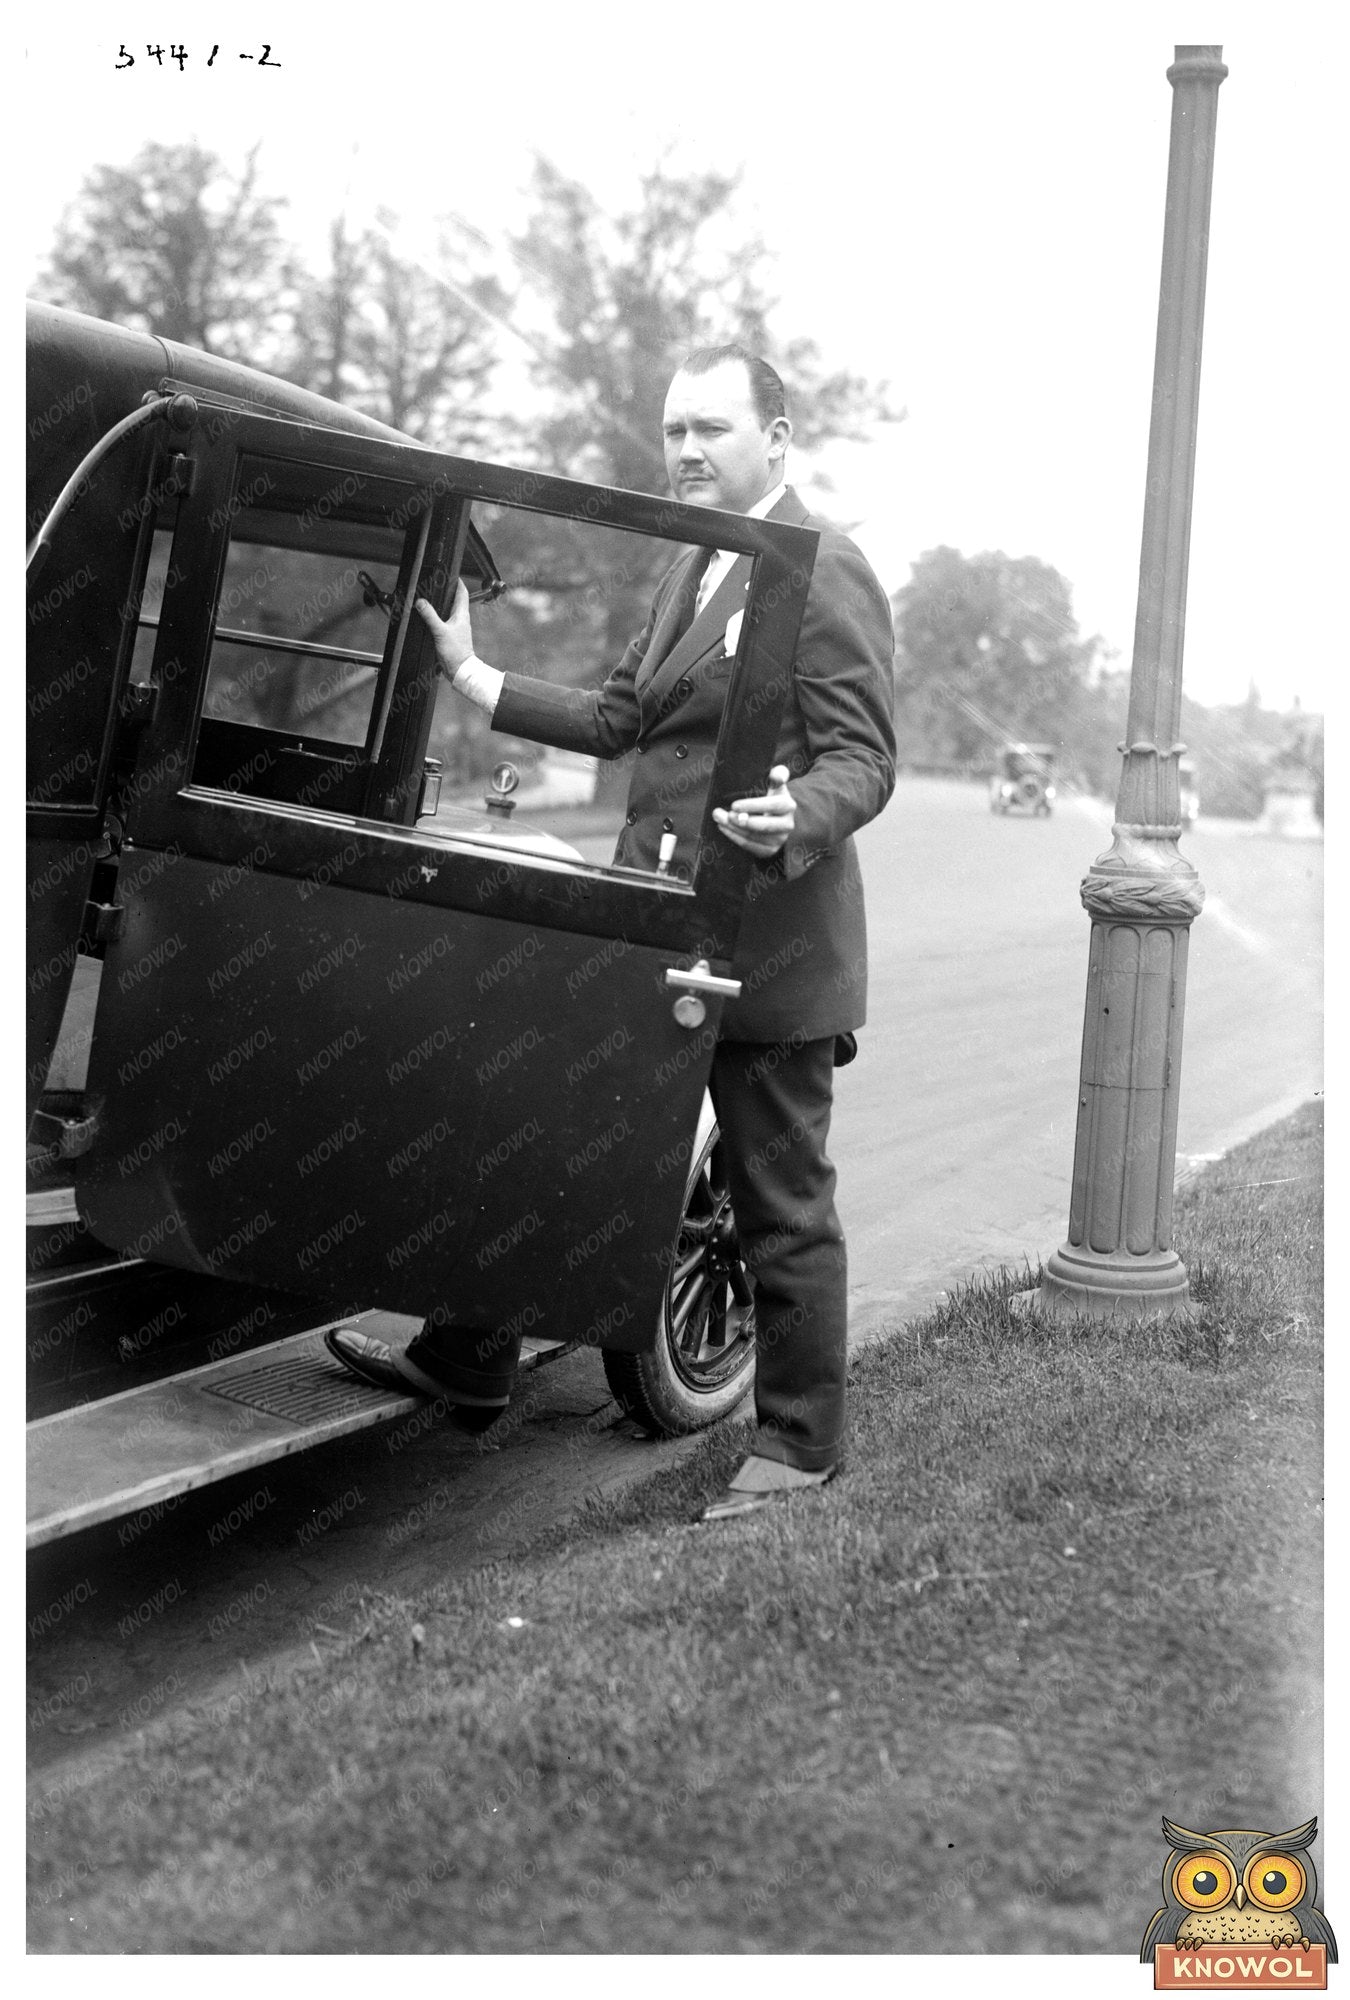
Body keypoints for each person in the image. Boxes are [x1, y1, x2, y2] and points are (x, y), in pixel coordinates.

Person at [327, 345, 896, 1521]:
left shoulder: (827, 562)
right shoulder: (692, 561)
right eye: (675, 429)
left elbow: (864, 756)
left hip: (768, 955)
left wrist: (800, 812)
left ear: (777, 438)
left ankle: (799, 1447)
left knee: (780, 1204)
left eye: (713, 428)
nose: (687, 450)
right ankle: (471, 1354)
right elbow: (620, 715)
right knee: (550, 1129)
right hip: (654, 923)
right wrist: (471, 674)